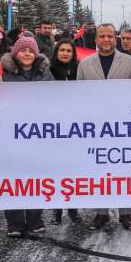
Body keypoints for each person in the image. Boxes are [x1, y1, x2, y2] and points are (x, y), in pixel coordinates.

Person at [78, 24, 131, 231]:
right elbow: (78, 95)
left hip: (122, 126)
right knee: (99, 170)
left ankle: (125, 214)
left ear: (116, 39)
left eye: (110, 36)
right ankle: (101, 213)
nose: (106, 40)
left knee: (123, 170)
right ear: (96, 39)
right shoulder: (85, 64)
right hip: (95, 126)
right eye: (102, 36)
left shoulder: (130, 62)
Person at [1, 34, 52, 237]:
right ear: (15, 53)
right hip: (10, 134)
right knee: (13, 178)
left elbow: (56, 99)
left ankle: (35, 220)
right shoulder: (3, 74)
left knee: (36, 178)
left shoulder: (45, 74)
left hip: (38, 134)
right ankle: (14, 223)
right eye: (23, 50)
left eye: (31, 50)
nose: (27, 53)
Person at [47, 38, 80, 225]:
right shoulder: (48, 71)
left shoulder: (79, 70)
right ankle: (57, 209)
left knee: (73, 170)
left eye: (69, 50)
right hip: (55, 127)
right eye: (62, 50)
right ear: (56, 52)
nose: (65, 53)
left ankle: (73, 208)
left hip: (75, 127)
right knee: (57, 169)